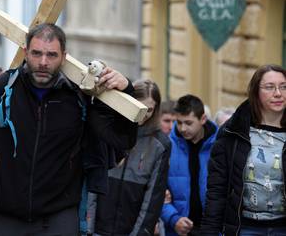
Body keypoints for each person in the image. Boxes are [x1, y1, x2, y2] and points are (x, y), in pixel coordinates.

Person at [0, 23, 137, 236]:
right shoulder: (1, 89)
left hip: (58, 217)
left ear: (64, 57)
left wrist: (127, 89)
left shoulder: (78, 96)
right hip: (5, 216)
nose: (43, 62)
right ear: (26, 53)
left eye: (51, 55)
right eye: (36, 53)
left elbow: (121, 139)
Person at [202, 64, 286, 236]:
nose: (278, 93)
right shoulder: (233, 131)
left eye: (283, 87)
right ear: (255, 92)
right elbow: (217, 189)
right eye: (269, 87)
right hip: (245, 228)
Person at [87, 79, 171, 235]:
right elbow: (93, 184)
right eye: (138, 107)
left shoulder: (160, 144)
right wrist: (87, 228)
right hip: (98, 228)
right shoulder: (107, 129)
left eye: (150, 110)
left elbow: (153, 198)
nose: (143, 115)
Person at [161, 94, 218, 236]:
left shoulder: (220, 146)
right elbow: (157, 192)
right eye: (179, 122)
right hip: (177, 229)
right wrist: (174, 219)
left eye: (188, 123)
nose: (182, 128)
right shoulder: (166, 146)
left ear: (203, 119)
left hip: (212, 228)